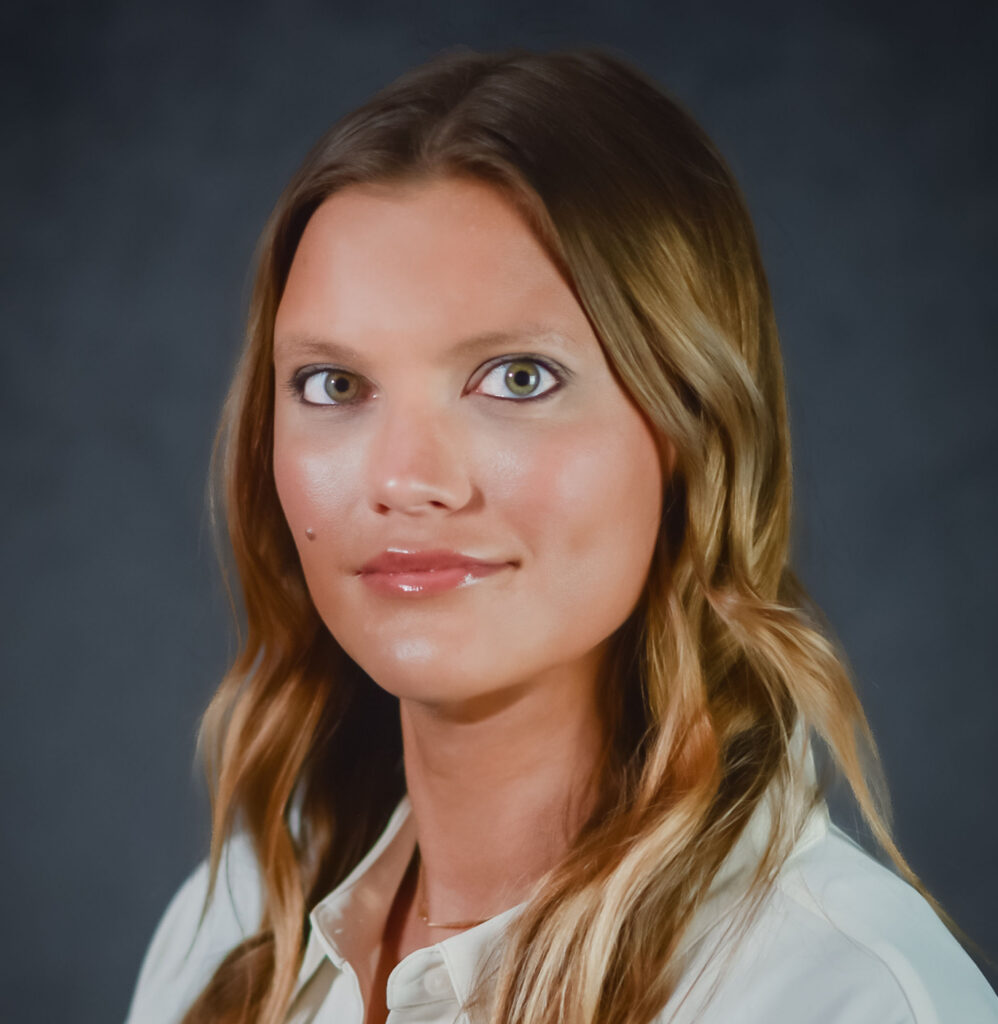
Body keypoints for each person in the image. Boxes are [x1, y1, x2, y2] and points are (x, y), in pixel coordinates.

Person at [124, 47, 998, 1024]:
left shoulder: (844, 997)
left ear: (690, 431)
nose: (405, 479)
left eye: (517, 378)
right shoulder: (223, 937)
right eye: (335, 385)